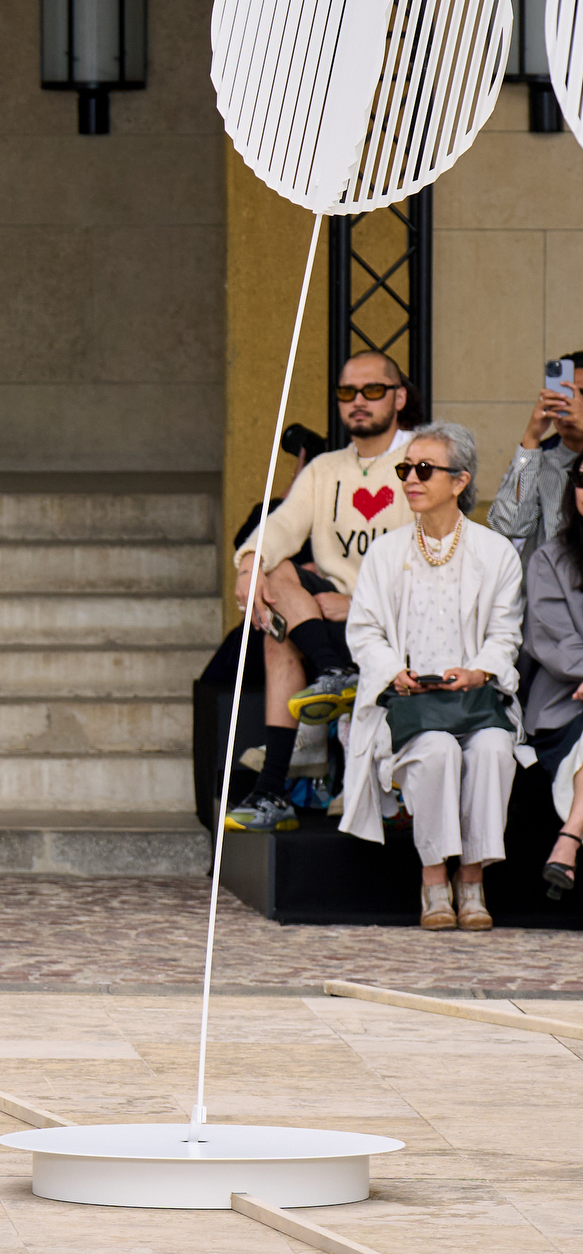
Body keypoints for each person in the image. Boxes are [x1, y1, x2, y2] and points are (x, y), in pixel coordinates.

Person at [339, 423, 523, 931]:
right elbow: (364, 632)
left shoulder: (495, 552)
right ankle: (433, 881)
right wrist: (394, 673)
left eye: (424, 470)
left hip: (477, 701)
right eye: (405, 470)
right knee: (438, 750)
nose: (410, 480)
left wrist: (479, 670)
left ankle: (472, 880)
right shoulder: (384, 551)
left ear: (460, 481)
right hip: (408, 705)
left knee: (490, 750)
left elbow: (506, 635)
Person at [224, 351, 414, 831]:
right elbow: (281, 527)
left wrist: (358, 606)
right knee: (275, 570)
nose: (358, 402)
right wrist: (249, 567)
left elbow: (439, 560)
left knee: (280, 629)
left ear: (399, 397)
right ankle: (332, 669)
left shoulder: (422, 460)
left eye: (372, 390)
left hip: (400, 618)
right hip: (326, 618)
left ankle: (271, 791)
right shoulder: (325, 468)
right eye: (347, 392)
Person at [526, 457, 583, 902]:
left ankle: (570, 838)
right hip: (565, 709)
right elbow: (555, 642)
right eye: (582, 481)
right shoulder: (551, 558)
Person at [488, 351, 583, 566]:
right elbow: (508, 526)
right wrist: (531, 437)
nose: (570, 403)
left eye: (581, 394)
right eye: (562, 394)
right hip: (545, 592)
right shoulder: (538, 460)